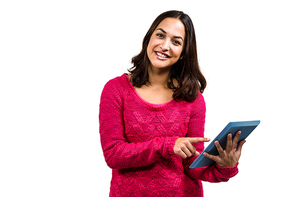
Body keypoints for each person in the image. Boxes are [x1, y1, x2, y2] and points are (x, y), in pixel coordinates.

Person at [99, 10, 245, 197]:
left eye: (176, 42)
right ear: (148, 39)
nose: (165, 46)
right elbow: (114, 154)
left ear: (184, 53)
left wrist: (225, 166)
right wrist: (167, 145)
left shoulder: (193, 98)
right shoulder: (116, 89)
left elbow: (192, 166)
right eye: (160, 35)